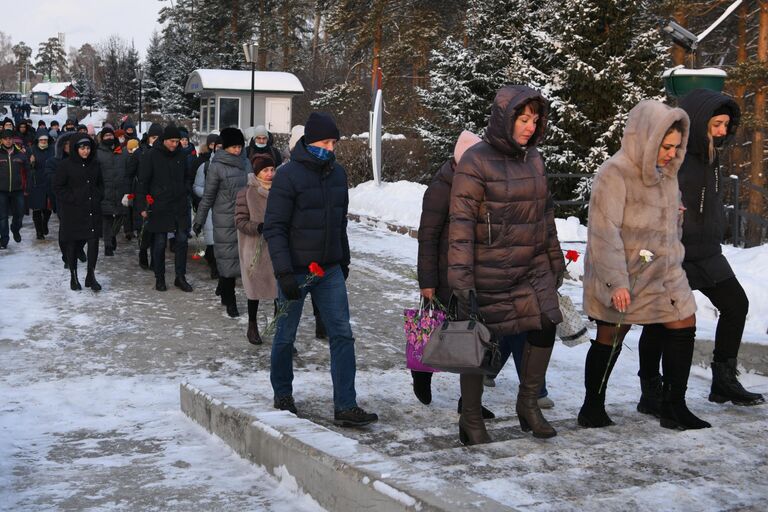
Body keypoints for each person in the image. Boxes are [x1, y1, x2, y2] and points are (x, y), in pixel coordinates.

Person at [581, 99, 710, 431]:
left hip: (662, 273)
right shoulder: (614, 173)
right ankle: (592, 405)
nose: (670, 153)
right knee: (612, 333)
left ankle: (673, 405)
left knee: (684, 319)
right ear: (647, 139)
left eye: (675, 147)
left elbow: (666, 230)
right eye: (664, 146)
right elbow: (603, 232)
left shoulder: (666, 177)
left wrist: (672, 220)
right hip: (624, 272)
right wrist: (616, 282)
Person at [447, 85, 565, 445]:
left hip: (531, 266)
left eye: (535, 120)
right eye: (523, 119)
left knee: (546, 323)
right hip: (490, 267)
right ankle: (470, 418)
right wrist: (461, 281)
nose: (530, 127)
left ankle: (528, 404)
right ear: (504, 119)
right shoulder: (475, 162)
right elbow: (460, 228)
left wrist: (555, 258)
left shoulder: (535, 159)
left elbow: (545, 214)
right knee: (478, 341)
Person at [633, 89, 764, 410]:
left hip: (707, 253)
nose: (722, 131)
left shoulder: (710, 156)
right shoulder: (673, 157)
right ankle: (650, 391)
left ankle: (723, 380)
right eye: (716, 124)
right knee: (659, 323)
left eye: (726, 125)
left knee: (736, 305)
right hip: (674, 254)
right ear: (700, 121)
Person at [264, 112, 378, 427]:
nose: (330, 148)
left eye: (333, 143)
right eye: (325, 142)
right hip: (296, 271)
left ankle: (346, 404)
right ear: (310, 142)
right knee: (285, 336)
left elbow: (339, 222)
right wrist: (284, 272)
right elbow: (274, 227)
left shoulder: (338, 175)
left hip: (328, 270)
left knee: (342, 334)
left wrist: (343, 260)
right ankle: (283, 394)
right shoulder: (288, 175)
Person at [416, 129, 507, 417]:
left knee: (477, 334)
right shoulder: (442, 187)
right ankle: (421, 371)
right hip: (444, 273)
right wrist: (427, 281)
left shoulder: (481, 184)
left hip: (476, 272)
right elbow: (427, 236)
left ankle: (469, 403)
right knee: (434, 330)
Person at [193, 128, 249, 317]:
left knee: (239, 259)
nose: (237, 150)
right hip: (224, 219)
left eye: (240, 146)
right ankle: (230, 299)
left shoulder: (245, 164)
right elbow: (208, 197)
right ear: (224, 147)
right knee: (227, 260)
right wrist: (199, 220)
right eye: (233, 147)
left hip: (243, 219)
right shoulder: (216, 166)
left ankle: (224, 291)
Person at [136, 125, 195, 292]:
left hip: (179, 204)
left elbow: (187, 177)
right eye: (172, 141)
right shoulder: (151, 155)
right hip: (159, 205)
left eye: (177, 141)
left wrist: (185, 189)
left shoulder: (182, 156)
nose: (175, 144)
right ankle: (160, 277)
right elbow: (143, 182)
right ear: (164, 140)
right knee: (160, 243)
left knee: (182, 241)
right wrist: (142, 204)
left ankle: (180, 277)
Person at [236, 153, 278, 344]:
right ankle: (252, 326)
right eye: (265, 170)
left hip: (278, 248)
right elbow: (240, 221)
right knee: (254, 290)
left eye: (272, 169)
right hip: (255, 248)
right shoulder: (246, 192)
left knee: (280, 290)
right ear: (257, 172)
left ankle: (281, 332)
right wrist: (257, 227)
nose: (270, 174)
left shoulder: (281, 191)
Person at [53, 134, 104, 291]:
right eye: (82, 148)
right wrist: (73, 198)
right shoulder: (65, 165)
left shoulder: (95, 164)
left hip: (92, 210)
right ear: (76, 149)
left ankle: (91, 275)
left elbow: (100, 184)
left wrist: (97, 196)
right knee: (73, 243)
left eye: (88, 148)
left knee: (93, 241)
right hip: (73, 211)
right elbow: (58, 187)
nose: (85, 151)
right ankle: (73, 276)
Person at [127, 122, 163, 268]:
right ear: (148, 138)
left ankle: (155, 259)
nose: (155, 140)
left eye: (158, 137)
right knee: (143, 228)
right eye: (153, 137)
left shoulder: (164, 154)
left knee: (157, 230)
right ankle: (143, 251)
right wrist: (129, 192)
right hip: (142, 194)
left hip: (158, 195)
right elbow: (129, 173)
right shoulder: (139, 153)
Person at [96, 127, 129, 256]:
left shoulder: (122, 151)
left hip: (120, 190)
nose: (109, 138)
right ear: (102, 138)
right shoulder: (98, 153)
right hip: (105, 190)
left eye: (110, 135)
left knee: (121, 216)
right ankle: (108, 245)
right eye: (106, 136)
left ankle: (112, 235)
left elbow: (127, 170)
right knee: (107, 218)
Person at [192, 133, 221, 279]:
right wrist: (209, 193)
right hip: (210, 208)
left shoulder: (236, 166)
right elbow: (196, 187)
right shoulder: (205, 166)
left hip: (228, 208)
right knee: (211, 240)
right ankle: (214, 267)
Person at [0, 129, 28, 248]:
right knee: (2, 217)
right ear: (1, 140)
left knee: (20, 213)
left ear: (13, 140)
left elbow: (27, 172)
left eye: (10, 139)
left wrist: (26, 187)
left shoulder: (20, 154)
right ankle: (4, 239)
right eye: (5, 139)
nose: (8, 141)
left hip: (18, 190)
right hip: (1, 190)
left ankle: (15, 229)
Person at [28, 129, 55, 239]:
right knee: (37, 208)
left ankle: (44, 224)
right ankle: (39, 232)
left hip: (49, 182)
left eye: (45, 139)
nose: (44, 141)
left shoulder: (52, 150)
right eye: (41, 139)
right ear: (37, 140)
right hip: (36, 182)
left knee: (47, 208)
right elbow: (27, 167)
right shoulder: (31, 150)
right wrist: (31, 163)